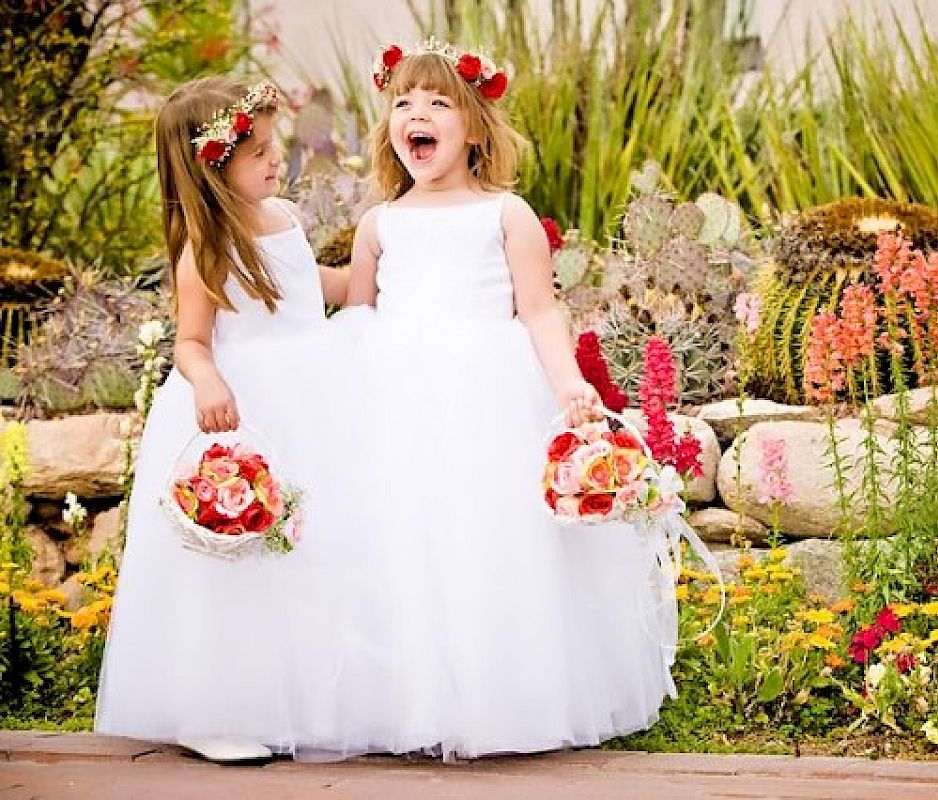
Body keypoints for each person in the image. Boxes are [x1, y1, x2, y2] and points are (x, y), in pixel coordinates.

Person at [342, 40, 677, 759]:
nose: (417, 115)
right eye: (403, 103)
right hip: (396, 401)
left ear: (473, 127)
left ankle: (498, 696)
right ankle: (406, 700)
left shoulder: (506, 214)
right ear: (388, 128)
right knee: (404, 543)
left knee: (485, 541)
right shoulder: (379, 225)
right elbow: (357, 315)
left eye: (437, 103)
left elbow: (538, 311)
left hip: (485, 398)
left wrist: (569, 383)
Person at [95, 76, 366, 763]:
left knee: (307, 550)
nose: (278, 161)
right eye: (260, 154)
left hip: (315, 397)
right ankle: (214, 706)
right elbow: (190, 340)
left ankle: (303, 694)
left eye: (275, 147)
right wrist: (207, 375)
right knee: (233, 562)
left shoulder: (287, 219)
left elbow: (313, 286)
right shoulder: (206, 249)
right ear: (213, 166)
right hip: (244, 410)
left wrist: (374, 271)